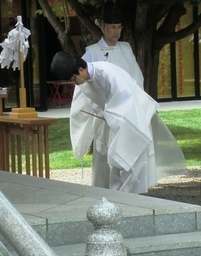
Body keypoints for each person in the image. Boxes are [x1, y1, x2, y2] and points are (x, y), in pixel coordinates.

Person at [52, 51, 187, 194]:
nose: (74, 83)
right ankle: (118, 198)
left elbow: (126, 102)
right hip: (115, 121)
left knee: (132, 163)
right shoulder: (84, 80)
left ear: (80, 69)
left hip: (133, 120)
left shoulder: (108, 73)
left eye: (73, 79)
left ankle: (134, 201)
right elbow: (85, 104)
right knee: (115, 161)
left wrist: (107, 114)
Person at [74, 0, 144, 189]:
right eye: (112, 27)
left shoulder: (126, 49)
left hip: (126, 114)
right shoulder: (91, 53)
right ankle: (101, 191)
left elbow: (136, 79)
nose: (116, 32)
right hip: (103, 115)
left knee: (126, 155)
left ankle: (128, 192)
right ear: (103, 28)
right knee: (104, 158)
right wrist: (100, 107)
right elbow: (82, 84)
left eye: (119, 27)